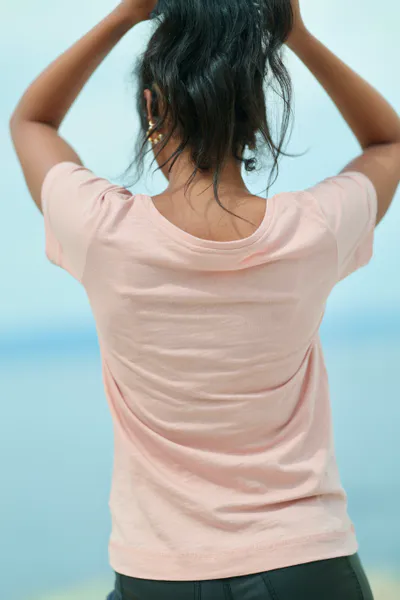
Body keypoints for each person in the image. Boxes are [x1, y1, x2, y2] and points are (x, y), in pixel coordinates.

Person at [10, 0, 400, 598]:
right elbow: (388, 140)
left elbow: (32, 122)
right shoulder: (313, 229)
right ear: (254, 113)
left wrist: (126, 14)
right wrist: (295, 33)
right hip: (305, 560)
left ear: (152, 109)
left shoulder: (102, 231)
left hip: (160, 572)